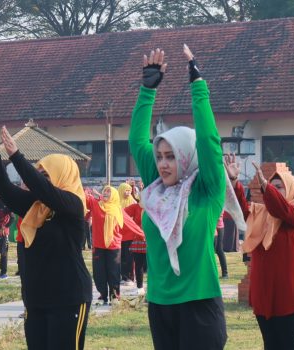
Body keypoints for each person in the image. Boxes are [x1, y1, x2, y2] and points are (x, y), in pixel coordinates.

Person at [129, 45, 229, 349]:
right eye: (159, 156)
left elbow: (209, 140)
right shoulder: (156, 189)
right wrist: (148, 90)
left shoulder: (206, 191)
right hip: (160, 303)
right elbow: (136, 140)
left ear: (186, 157)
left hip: (199, 302)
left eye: (171, 156)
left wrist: (197, 85)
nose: (162, 163)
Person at [0, 125, 93, 349]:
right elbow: (5, 190)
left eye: (46, 176)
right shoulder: (36, 206)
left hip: (68, 299)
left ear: (63, 176)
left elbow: (46, 191)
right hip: (36, 300)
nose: (41, 181)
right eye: (40, 174)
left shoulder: (73, 205)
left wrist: (16, 157)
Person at [243, 164, 294, 350]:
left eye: (278, 187)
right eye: (272, 187)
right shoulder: (262, 214)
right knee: (270, 344)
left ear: (290, 188)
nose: (273, 190)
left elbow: (282, 210)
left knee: (288, 343)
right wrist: (234, 182)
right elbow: (241, 210)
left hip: (288, 296)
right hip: (264, 294)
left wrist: (266, 187)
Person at [86, 186, 143, 304]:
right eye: (105, 191)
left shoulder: (118, 210)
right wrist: (89, 191)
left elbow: (131, 225)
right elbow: (84, 196)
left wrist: (143, 235)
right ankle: (102, 295)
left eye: (109, 191)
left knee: (113, 271)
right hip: (98, 246)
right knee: (99, 272)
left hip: (114, 246)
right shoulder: (96, 204)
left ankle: (114, 296)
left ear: (114, 195)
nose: (106, 193)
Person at [125, 201, 147, 295]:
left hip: (153, 239)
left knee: (153, 265)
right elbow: (122, 213)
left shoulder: (156, 205)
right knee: (139, 264)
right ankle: (140, 287)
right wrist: (132, 227)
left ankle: (154, 287)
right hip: (138, 238)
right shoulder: (136, 207)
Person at [118, 182, 137, 283]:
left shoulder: (133, 202)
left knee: (129, 256)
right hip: (119, 233)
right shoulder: (116, 202)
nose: (128, 192)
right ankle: (123, 276)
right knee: (121, 256)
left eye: (129, 190)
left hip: (130, 234)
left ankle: (130, 277)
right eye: (126, 190)